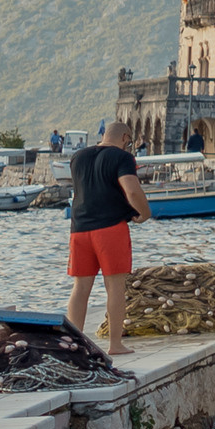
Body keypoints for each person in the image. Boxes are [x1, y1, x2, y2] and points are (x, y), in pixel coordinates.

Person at [66, 121, 153, 355]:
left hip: (79, 229)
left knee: (80, 287)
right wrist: (144, 213)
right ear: (125, 138)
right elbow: (132, 190)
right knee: (115, 286)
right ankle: (115, 344)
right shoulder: (121, 158)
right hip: (110, 228)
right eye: (130, 142)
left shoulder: (78, 157)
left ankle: (74, 344)